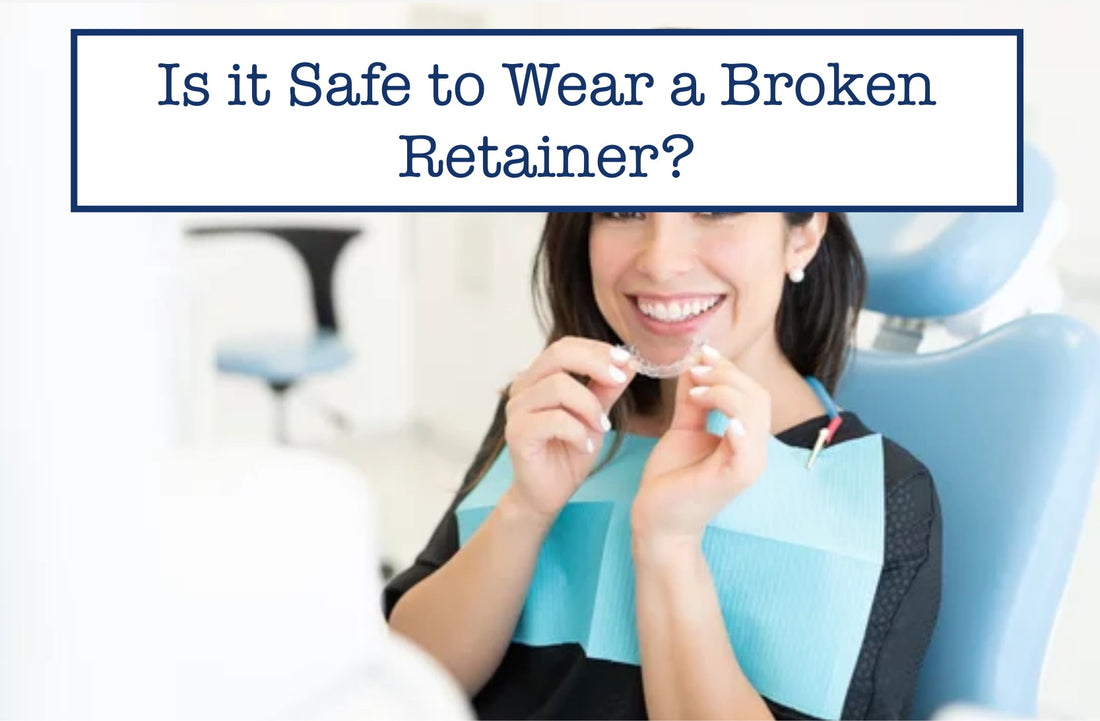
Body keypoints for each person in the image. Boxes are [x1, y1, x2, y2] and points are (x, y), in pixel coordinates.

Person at [383, 212, 942, 720]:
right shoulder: (548, 414)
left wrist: (668, 545)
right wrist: (524, 510)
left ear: (803, 236)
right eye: (624, 210)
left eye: (717, 208)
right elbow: (393, 683)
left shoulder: (880, 491)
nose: (660, 260)